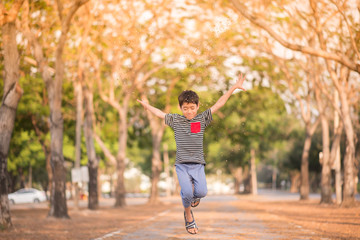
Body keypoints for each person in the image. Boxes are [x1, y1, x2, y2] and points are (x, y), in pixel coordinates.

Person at [137, 73, 247, 234]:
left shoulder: (201, 119)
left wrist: (233, 88)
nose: (189, 111)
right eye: (185, 108)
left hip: (198, 165)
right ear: (180, 108)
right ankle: (188, 215)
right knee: (187, 192)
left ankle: (192, 199)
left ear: (198, 106)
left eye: (192, 108)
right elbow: (160, 114)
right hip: (182, 165)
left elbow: (219, 104)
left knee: (201, 192)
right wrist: (147, 106)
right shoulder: (175, 120)